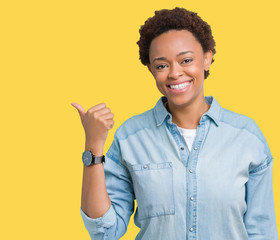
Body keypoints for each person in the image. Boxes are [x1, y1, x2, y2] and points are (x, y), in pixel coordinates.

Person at [71, 7, 278, 240]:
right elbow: (105, 232)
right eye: (161, 65)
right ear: (150, 69)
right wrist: (93, 147)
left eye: (186, 60)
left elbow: (262, 231)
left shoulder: (246, 136)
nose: (174, 73)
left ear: (207, 59)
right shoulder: (130, 137)